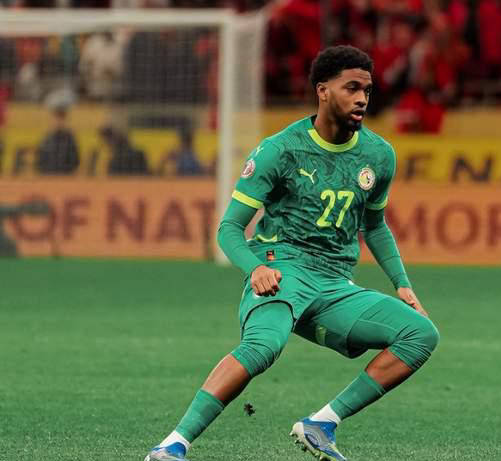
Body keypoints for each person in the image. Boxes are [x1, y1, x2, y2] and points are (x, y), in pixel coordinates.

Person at [144, 45, 440, 461]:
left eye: (367, 90)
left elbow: (374, 226)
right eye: (351, 88)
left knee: (420, 334)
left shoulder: (379, 155)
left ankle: (322, 423)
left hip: (334, 285)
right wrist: (254, 269)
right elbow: (229, 229)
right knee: (263, 347)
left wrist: (402, 284)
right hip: (281, 270)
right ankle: (172, 445)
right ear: (323, 90)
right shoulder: (280, 150)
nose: (361, 99)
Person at [36, 95, 80, 175]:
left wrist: (65, 172)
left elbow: (75, 161)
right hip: (47, 176)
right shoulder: (47, 138)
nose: (58, 122)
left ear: (65, 120)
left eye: (61, 119)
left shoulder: (69, 138)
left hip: (65, 176)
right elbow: (40, 160)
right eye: (56, 119)